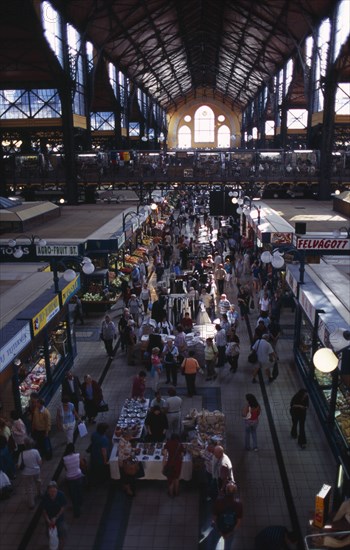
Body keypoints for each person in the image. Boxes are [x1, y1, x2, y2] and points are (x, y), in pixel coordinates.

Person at [210, 481, 243, 550]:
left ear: (225, 491)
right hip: (230, 530)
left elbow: (214, 518)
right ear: (235, 492)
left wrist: (219, 531)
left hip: (219, 529)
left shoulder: (219, 502)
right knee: (228, 546)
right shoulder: (239, 504)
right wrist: (230, 533)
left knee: (213, 543)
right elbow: (238, 522)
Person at [18, 437, 42, 509]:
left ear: (25, 445)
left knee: (29, 488)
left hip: (26, 473)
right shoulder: (35, 451)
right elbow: (40, 462)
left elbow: (18, 466)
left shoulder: (21, 454)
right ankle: (39, 493)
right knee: (38, 482)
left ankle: (31, 504)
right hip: (36, 471)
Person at [42, 481, 67, 548]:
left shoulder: (61, 495)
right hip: (49, 519)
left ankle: (61, 547)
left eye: (54, 491)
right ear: (48, 491)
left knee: (62, 532)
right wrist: (48, 520)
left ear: (57, 490)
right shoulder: (45, 497)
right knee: (49, 534)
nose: (53, 493)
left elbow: (63, 507)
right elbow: (44, 511)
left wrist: (56, 517)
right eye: (51, 491)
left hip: (59, 518)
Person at [63, 443, 84, 518]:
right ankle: (80, 502)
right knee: (79, 491)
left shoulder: (64, 458)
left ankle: (76, 511)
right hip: (78, 476)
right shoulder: (77, 455)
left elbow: (66, 469)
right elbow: (82, 464)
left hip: (70, 478)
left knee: (73, 495)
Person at [118, 431, 137, 496]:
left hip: (127, 459)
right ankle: (128, 490)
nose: (131, 437)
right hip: (124, 461)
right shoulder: (122, 443)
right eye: (130, 436)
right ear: (127, 437)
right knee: (126, 476)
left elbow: (129, 449)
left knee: (126, 475)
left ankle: (126, 487)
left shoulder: (126, 441)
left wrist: (134, 449)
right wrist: (131, 453)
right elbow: (125, 452)